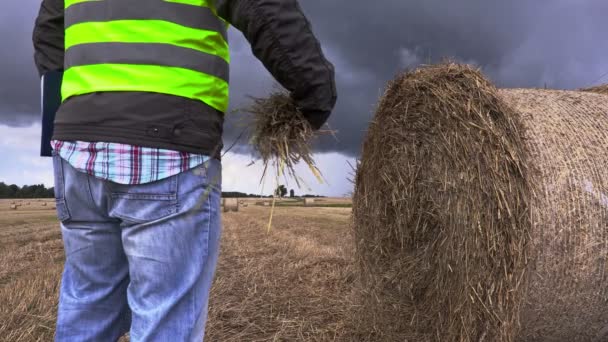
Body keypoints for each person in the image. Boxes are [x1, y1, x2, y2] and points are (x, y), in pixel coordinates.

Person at [32, 0, 337, 340]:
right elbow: (263, 7)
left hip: (78, 146)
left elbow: (48, 32)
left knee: (88, 306)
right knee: (165, 319)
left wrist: (70, 112)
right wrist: (313, 92)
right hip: (169, 143)